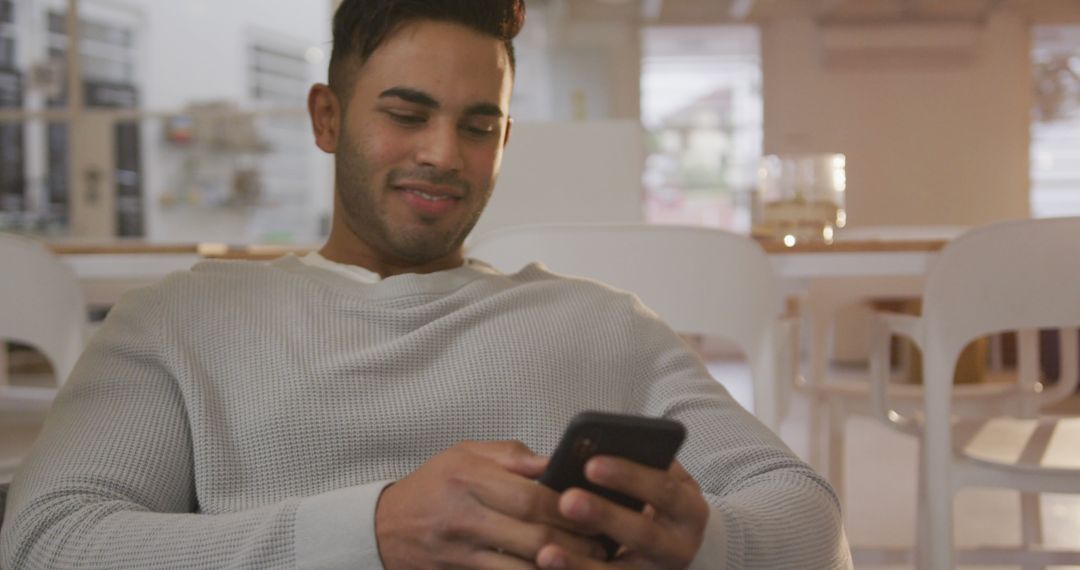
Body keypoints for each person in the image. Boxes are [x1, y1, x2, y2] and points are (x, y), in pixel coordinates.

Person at [0, 1, 852, 568]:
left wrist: (706, 540)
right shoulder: (180, 323)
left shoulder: (602, 325)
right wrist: (370, 532)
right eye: (406, 115)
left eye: (478, 126)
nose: (444, 155)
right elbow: (47, 538)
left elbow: (813, 524)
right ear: (326, 118)